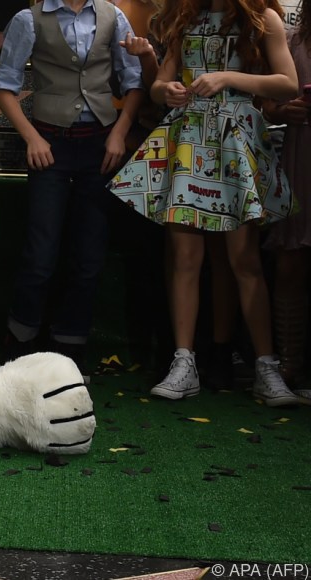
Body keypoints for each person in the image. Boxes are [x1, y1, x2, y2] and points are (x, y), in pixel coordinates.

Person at [108, 0, 300, 406]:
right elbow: (160, 85)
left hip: (236, 140)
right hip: (188, 139)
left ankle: (267, 367)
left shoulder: (262, 19)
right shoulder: (184, 17)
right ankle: (184, 362)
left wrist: (228, 77)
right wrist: (168, 90)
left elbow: (287, 83)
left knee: (244, 259)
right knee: (184, 258)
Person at [0, 0, 145, 378]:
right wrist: (32, 138)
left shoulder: (113, 16)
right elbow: (3, 86)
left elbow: (135, 83)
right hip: (50, 144)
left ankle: (70, 348)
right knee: (40, 254)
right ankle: (20, 345)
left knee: (89, 257)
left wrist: (120, 135)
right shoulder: (29, 19)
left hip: (100, 145)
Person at [262, 0, 311, 400]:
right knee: (290, 261)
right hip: (301, 159)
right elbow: (268, 103)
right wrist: (286, 110)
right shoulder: (293, 42)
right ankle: (289, 365)